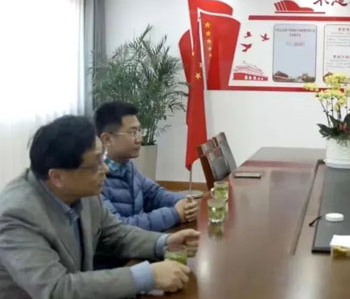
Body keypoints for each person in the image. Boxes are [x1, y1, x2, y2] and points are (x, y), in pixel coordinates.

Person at [0, 115, 200, 298]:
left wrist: (164, 242)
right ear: (57, 177)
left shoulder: (84, 191)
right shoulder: (16, 215)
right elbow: (56, 289)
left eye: (102, 158)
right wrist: (146, 276)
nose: (105, 169)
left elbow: (116, 235)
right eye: (96, 163)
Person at [95, 102, 198, 232]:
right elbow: (120, 228)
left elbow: (154, 194)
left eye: (139, 131)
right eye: (133, 132)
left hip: (146, 241)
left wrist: (184, 203)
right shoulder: (95, 180)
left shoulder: (128, 166)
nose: (140, 139)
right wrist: (174, 214)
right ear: (107, 139)